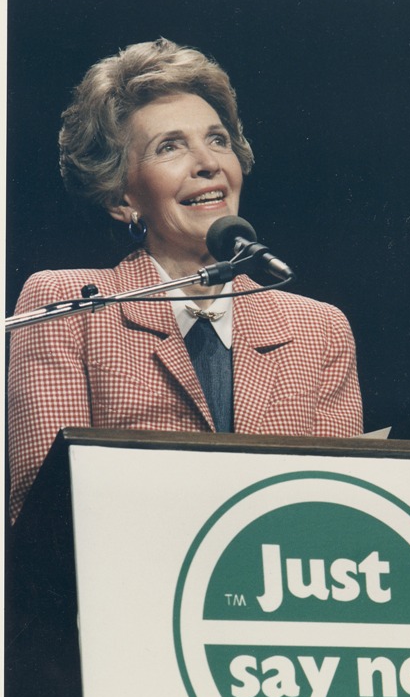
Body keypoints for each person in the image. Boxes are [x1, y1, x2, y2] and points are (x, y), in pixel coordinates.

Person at [7, 38, 363, 524]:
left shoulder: (319, 329)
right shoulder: (70, 305)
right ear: (121, 197)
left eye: (218, 139)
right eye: (169, 146)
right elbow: (43, 511)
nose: (207, 162)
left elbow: (340, 514)